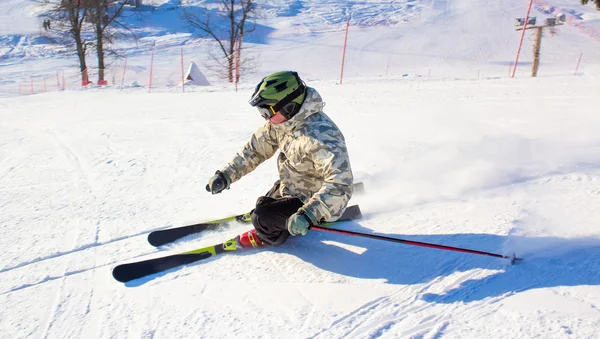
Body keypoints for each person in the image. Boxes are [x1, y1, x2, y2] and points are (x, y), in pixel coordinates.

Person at [206, 71, 354, 247]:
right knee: (262, 204)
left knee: (262, 218)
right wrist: (227, 175)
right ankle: (272, 215)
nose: (264, 116)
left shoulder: (322, 137)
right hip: (291, 185)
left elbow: (341, 183)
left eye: (266, 110)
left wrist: (310, 214)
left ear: (288, 106)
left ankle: (268, 237)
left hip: (311, 198)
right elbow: (255, 150)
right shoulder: (282, 123)